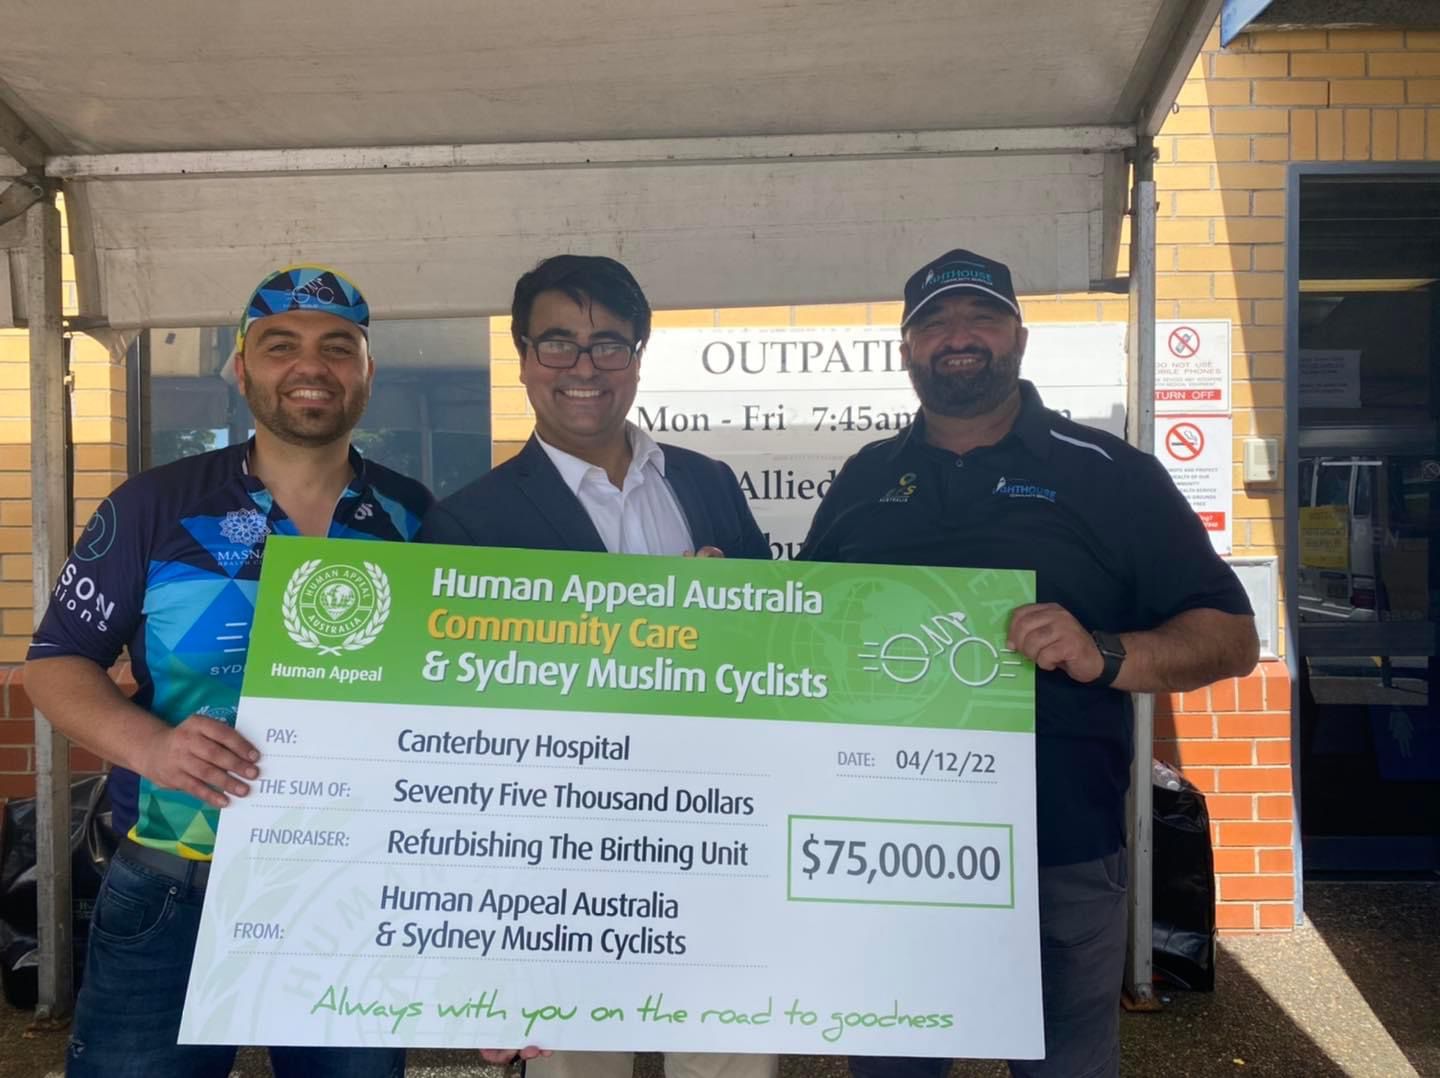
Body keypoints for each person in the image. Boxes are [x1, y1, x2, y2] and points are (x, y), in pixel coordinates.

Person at [798, 249, 1259, 1078]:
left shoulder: (1112, 475)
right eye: (933, 323)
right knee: (891, 1068)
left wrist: (1106, 652)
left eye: (979, 316)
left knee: (1065, 1068)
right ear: (907, 350)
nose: (957, 337)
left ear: (1018, 334)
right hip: (886, 851)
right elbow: (805, 631)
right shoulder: (867, 478)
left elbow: (1230, 636)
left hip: (1062, 851)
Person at [26, 265, 433, 1078]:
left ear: (366, 374)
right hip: (174, 881)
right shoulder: (154, 504)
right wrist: (151, 748)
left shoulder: (416, 518)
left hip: (346, 891)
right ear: (242, 369)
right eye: (280, 345)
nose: (310, 366)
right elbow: (54, 664)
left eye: (337, 347)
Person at [420, 253, 776, 1078]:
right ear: (522, 357)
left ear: (639, 355)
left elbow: (777, 652)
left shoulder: (709, 484)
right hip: (556, 866)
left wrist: (733, 619)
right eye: (558, 343)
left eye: (609, 343)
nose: (584, 368)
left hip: (712, 842)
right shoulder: (468, 524)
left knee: (726, 1065)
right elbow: (452, 726)